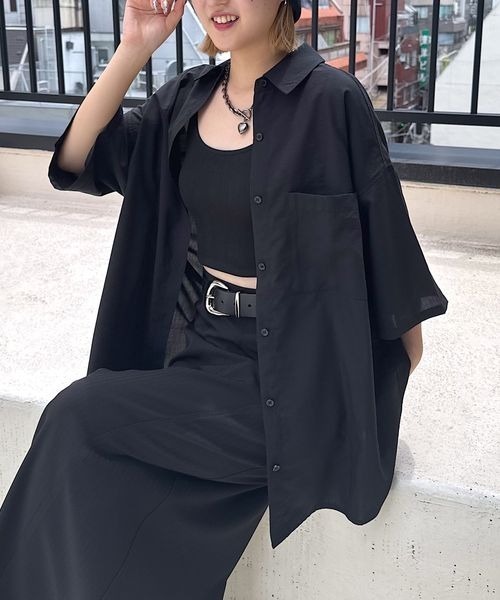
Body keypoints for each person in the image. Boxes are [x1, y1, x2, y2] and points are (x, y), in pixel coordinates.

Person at [0, 0, 449, 598]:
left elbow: (392, 263)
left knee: (76, 416)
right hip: (201, 354)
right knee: (103, 489)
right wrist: (134, 47)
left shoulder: (332, 100)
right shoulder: (185, 101)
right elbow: (78, 161)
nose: (217, 3)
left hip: (294, 382)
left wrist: (374, 392)